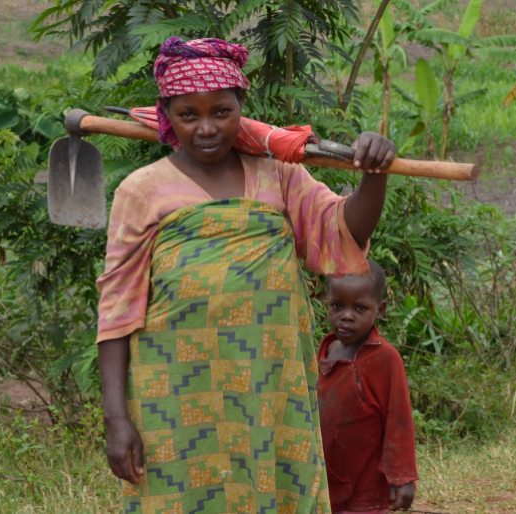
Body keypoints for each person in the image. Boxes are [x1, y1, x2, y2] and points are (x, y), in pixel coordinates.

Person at [96, 37, 396, 514]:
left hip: (268, 388)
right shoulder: (142, 191)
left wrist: (374, 172)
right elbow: (116, 311)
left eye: (222, 111)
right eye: (188, 115)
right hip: (175, 393)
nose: (207, 128)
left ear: (242, 108)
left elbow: (341, 235)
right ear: (166, 117)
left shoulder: (278, 174)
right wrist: (116, 418)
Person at [318, 260, 419, 514]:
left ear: (380, 310)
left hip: (366, 487)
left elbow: (399, 420)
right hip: (323, 480)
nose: (347, 315)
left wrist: (402, 476)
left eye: (360, 307)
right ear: (326, 303)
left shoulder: (385, 359)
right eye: (337, 305)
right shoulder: (322, 352)